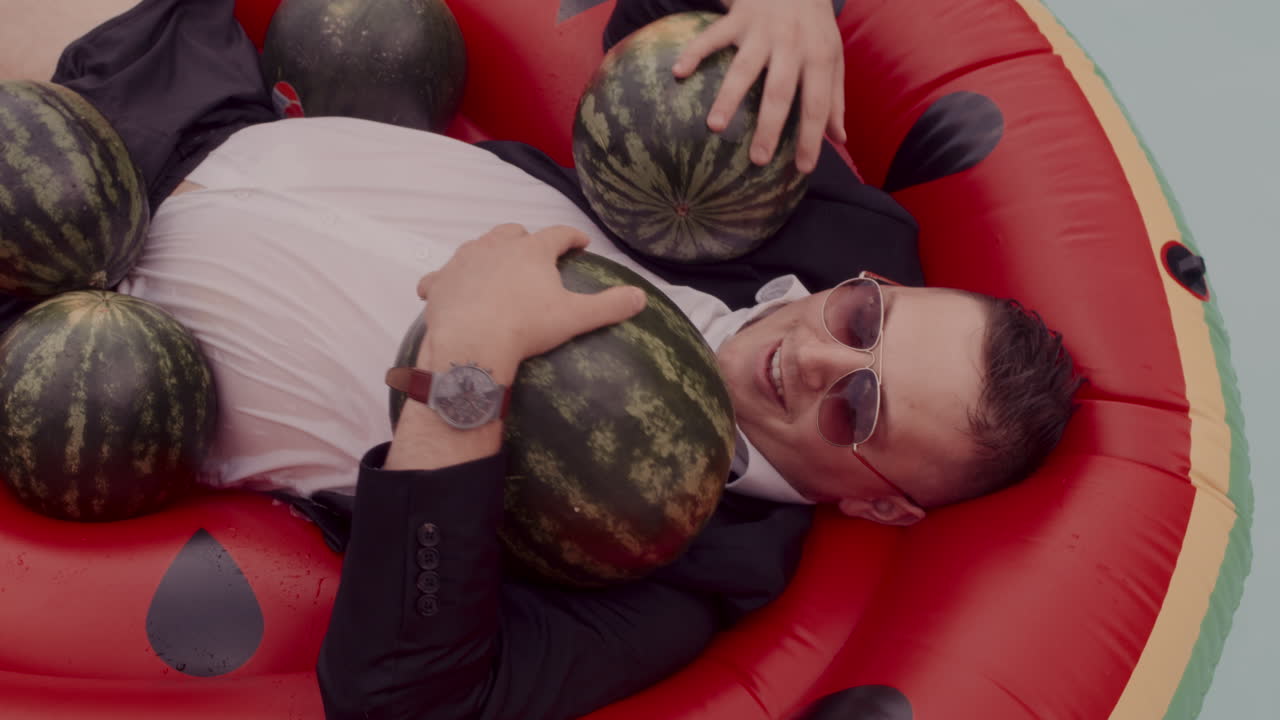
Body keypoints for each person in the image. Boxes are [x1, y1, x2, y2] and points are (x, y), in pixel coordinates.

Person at [0, 0, 1081, 718]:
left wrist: (464, 379)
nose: (814, 359)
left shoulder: (680, 576)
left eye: (860, 411)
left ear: (881, 506)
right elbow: (671, 22)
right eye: (861, 324)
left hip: (70, 333)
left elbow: (407, 694)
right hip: (201, 110)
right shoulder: (845, 245)